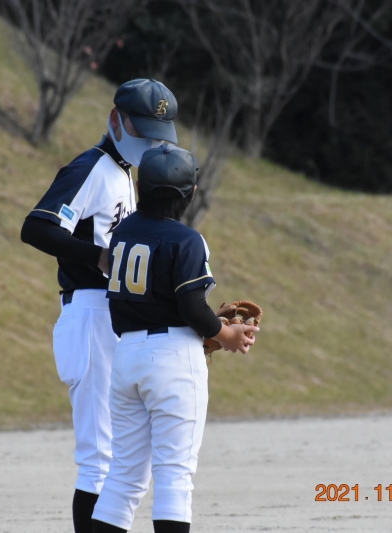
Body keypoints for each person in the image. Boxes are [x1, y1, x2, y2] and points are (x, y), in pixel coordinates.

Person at [20, 79, 179, 533]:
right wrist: (98, 256)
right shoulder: (92, 167)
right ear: (115, 120)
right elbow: (37, 227)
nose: (151, 142)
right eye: (142, 129)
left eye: (158, 134)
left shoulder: (125, 174)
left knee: (123, 458)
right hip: (89, 312)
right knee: (100, 460)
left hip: (110, 315)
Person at [90, 145, 258, 533]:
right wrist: (226, 335)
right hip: (173, 358)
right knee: (174, 476)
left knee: (123, 476)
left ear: (140, 188)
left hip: (127, 354)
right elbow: (191, 307)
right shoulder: (187, 240)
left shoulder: (121, 233)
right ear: (192, 193)